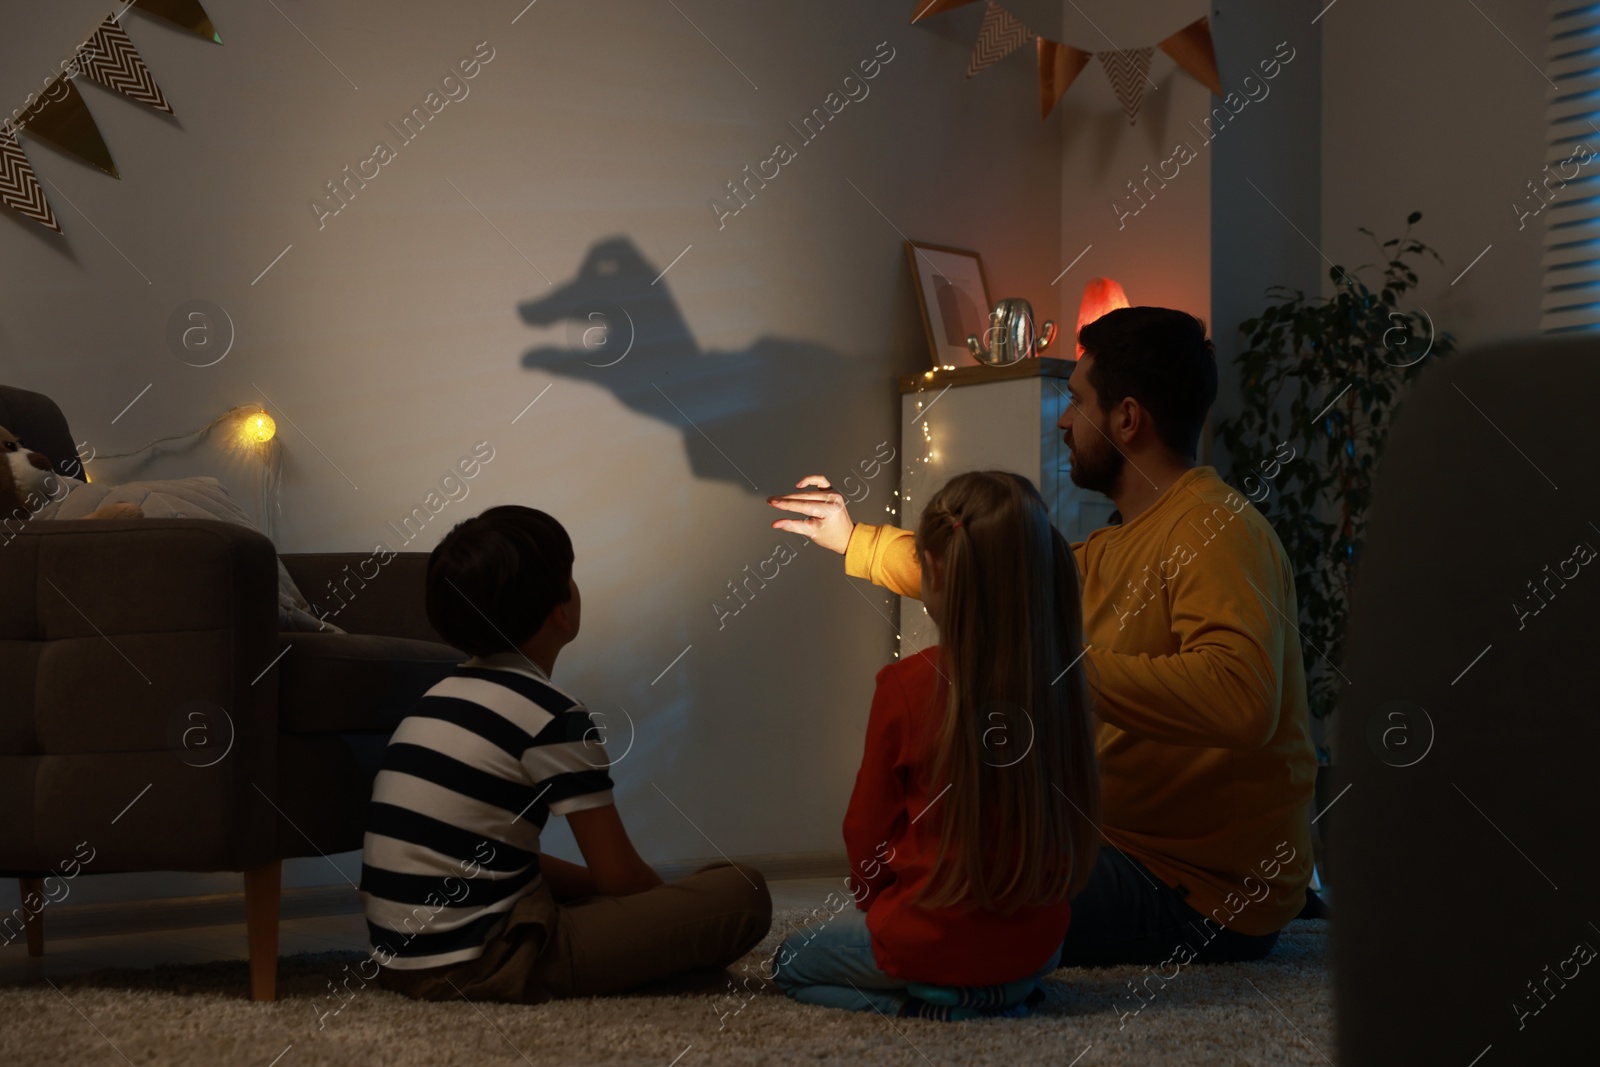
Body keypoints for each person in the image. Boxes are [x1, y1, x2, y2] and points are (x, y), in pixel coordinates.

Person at [769, 306, 1317, 967]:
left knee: (939, 912)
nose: (1063, 420)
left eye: (1076, 400)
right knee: (940, 868)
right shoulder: (1117, 543)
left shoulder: (1216, 529)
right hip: (1111, 847)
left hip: (1198, 892)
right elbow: (993, 568)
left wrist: (1061, 666)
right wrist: (855, 540)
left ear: (1127, 418)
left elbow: (1242, 697)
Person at [360, 505, 771, 1002]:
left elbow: (490, 855)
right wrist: (670, 911)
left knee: (671, 897)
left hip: (397, 963)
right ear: (562, 610)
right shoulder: (553, 716)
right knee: (741, 893)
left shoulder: (433, 702)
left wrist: (633, 899)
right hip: (490, 962)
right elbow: (619, 878)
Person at [771, 471, 1101, 1019]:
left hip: (927, 936)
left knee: (790, 960)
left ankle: (932, 1002)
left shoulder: (906, 686)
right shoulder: (1067, 685)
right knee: (982, 956)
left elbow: (866, 831)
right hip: (1040, 944)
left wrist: (881, 913)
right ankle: (1001, 989)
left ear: (937, 571)